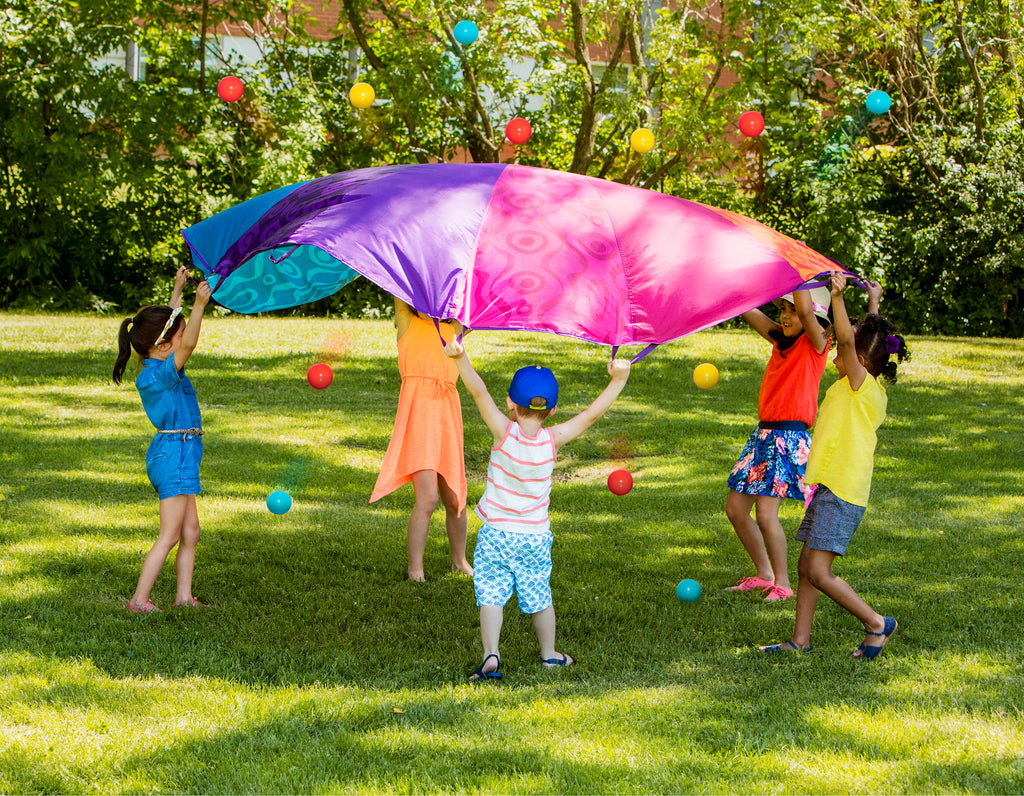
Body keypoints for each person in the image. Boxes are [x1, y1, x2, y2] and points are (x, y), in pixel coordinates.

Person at [444, 338, 631, 680]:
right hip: (534, 538)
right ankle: (549, 655)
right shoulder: (552, 438)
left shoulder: (503, 432)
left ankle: (491, 654)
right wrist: (618, 380)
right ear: (553, 410)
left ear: (510, 404)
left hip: (496, 535)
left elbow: (478, 393)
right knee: (540, 596)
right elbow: (591, 415)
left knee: (491, 595)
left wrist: (460, 357)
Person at [759, 272, 910, 658]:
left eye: (843, 350)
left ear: (857, 360)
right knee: (806, 566)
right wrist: (873, 301)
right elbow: (863, 337)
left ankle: (877, 623)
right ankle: (800, 641)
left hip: (842, 493)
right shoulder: (859, 380)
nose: (835, 353)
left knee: (818, 571)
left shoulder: (861, 385)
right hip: (830, 488)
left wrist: (838, 298)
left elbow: (846, 339)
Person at [723, 283, 836, 601]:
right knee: (735, 509)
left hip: (788, 437)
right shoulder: (780, 340)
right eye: (783, 310)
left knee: (765, 514)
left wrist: (800, 278)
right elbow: (745, 307)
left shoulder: (817, 344)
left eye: (793, 311)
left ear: (816, 317)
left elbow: (806, 312)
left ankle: (783, 584)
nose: (786, 316)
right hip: (763, 435)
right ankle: (764, 574)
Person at [112, 266, 212, 613]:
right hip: (174, 455)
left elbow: (169, 333)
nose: (183, 340)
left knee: (191, 531)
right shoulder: (161, 376)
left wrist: (178, 291)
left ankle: (184, 598)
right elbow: (188, 343)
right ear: (164, 346)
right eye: (178, 336)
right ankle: (138, 601)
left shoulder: (158, 360)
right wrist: (198, 305)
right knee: (170, 535)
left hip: (180, 453)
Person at [371, 298, 472, 581]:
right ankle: (415, 569)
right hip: (419, 425)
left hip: (447, 423)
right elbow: (399, 280)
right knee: (427, 498)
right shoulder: (407, 322)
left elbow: (471, 300)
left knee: (455, 498)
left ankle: (459, 561)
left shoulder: (454, 329)